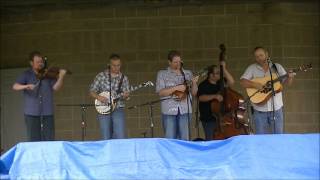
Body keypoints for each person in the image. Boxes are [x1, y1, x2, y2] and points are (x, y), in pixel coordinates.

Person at [12, 51, 67, 141]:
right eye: (37, 62)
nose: (40, 64)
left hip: (47, 111)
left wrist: (61, 76)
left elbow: (56, 88)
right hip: (31, 112)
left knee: (49, 139)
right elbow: (15, 86)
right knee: (33, 140)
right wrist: (26, 86)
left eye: (41, 61)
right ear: (31, 63)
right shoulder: (26, 74)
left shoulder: (48, 75)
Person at [240, 47, 295, 134]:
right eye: (256, 56)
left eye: (261, 55)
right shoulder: (252, 68)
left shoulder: (277, 67)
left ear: (266, 54)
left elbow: (288, 83)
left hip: (276, 109)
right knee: (260, 139)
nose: (259, 58)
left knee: (278, 138)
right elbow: (243, 82)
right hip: (259, 111)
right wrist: (255, 85)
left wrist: (290, 77)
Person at [156, 50, 198, 140]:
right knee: (170, 139)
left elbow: (194, 93)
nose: (178, 64)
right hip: (169, 111)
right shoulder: (162, 74)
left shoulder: (187, 73)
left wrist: (194, 83)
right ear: (169, 62)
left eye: (179, 61)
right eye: (175, 62)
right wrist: (176, 88)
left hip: (185, 111)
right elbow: (160, 92)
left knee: (185, 139)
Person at [89, 53, 129, 140]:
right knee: (105, 136)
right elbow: (92, 91)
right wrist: (99, 98)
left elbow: (125, 96)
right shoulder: (101, 76)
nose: (116, 68)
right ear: (109, 65)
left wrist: (126, 96)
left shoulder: (124, 78)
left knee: (120, 135)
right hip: (104, 109)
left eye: (118, 65)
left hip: (118, 108)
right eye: (114, 65)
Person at [197, 61, 235, 140]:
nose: (220, 74)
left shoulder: (221, 82)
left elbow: (232, 82)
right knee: (211, 139)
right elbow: (201, 97)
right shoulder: (203, 85)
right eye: (217, 73)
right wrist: (214, 96)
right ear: (211, 75)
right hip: (208, 118)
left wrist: (224, 69)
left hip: (222, 117)